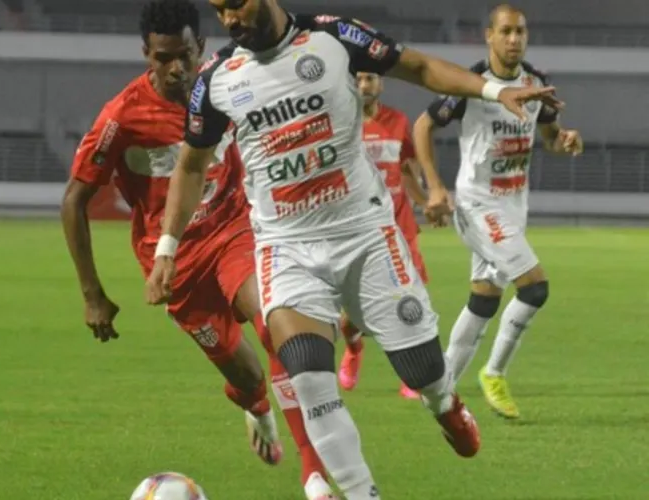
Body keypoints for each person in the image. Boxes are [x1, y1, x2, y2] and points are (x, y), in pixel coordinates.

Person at [145, 0, 560, 497]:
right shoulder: (216, 80)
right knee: (307, 374)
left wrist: (494, 89)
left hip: (364, 234)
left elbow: (419, 67)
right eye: (220, 10)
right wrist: (167, 246)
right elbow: (191, 166)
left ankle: (444, 402)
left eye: (238, 4)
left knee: (424, 370)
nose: (230, 18)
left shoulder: (333, 37)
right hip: (286, 245)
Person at [57, 0, 331, 484]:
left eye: (184, 55)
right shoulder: (123, 117)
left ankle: (315, 477)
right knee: (247, 376)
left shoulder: (228, 85)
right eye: (163, 58)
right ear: (146, 54)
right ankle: (256, 405)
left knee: (275, 326)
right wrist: (92, 294)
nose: (176, 69)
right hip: (174, 264)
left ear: (200, 47)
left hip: (234, 232)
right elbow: (74, 201)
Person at [412, 4, 583, 420]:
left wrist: (564, 141)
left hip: (513, 206)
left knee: (484, 299)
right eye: (505, 31)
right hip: (477, 205)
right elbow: (422, 125)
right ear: (489, 35)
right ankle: (494, 372)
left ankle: (440, 385)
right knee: (535, 288)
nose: (513, 40)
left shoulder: (536, 83)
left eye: (520, 32)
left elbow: (550, 137)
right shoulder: (471, 84)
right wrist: (435, 186)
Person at [338, 71, 430, 400]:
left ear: (382, 83)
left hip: (399, 227)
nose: (365, 85)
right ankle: (353, 348)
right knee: (350, 318)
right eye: (359, 79)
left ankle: (411, 375)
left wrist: (426, 202)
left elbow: (406, 170)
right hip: (358, 228)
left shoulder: (399, 121)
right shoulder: (341, 122)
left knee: (410, 303)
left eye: (371, 79)